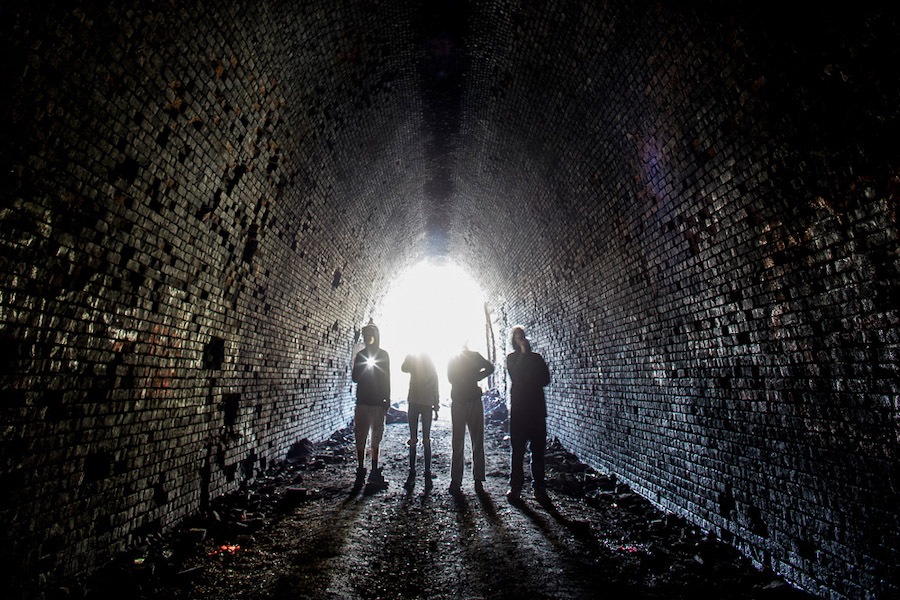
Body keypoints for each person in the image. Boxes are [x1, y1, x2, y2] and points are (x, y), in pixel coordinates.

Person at [505, 326, 551, 503]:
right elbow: (516, 376)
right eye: (517, 338)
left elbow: (546, 379)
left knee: (538, 451)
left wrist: (530, 377)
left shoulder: (537, 358)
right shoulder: (512, 358)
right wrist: (524, 355)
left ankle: (539, 488)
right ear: (514, 341)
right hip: (519, 411)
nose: (521, 340)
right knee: (517, 452)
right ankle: (515, 488)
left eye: (522, 337)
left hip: (537, 410)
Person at [446, 344, 494, 495]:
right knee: (475, 440)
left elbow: (451, 378)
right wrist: (475, 376)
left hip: (462, 400)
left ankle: (457, 480)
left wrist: (472, 377)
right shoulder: (473, 356)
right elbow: (489, 368)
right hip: (469, 400)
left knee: (460, 441)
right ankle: (476, 479)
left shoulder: (456, 358)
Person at [351, 320, 390, 488]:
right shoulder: (361, 356)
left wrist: (386, 399)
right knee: (361, 436)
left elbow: (386, 378)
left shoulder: (383, 355)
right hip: (364, 402)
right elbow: (354, 377)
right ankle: (361, 468)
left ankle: (373, 468)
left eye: (371, 336)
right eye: (366, 336)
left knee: (375, 437)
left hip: (375, 402)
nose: (369, 339)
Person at [401, 352, 440, 491]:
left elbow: (435, 382)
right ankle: (420, 473)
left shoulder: (426, 362)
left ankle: (421, 473)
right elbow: (403, 368)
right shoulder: (417, 361)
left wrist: (436, 406)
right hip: (422, 403)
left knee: (422, 439)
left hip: (419, 403)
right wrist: (436, 405)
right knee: (419, 439)